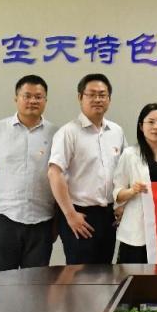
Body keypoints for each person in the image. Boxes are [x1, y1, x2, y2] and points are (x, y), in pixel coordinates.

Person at [0, 75, 57, 273]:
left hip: (42, 219)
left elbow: (60, 179)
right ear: (16, 98)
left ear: (45, 100)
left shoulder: (56, 134)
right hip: (4, 217)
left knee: (36, 283)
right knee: (2, 282)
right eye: (27, 96)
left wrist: (57, 220)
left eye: (38, 97)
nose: (32, 101)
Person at [48, 73, 127, 265]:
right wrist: (70, 215)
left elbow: (124, 170)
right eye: (91, 94)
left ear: (109, 99)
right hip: (79, 214)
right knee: (81, 275)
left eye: (102, 95)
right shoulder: (68, 132)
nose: (97, 99)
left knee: (105, 273)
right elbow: (54, 173)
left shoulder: (116, 131)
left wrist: (122, 205)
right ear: (80, 97)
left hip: (108, 216)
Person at [113, 103, 157, 264]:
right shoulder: (129, 154)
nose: (156, 127)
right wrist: (132, 191)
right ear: (141, 126)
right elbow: (117, 194)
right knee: (134, 273)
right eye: (151, 122)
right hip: (137, 229)